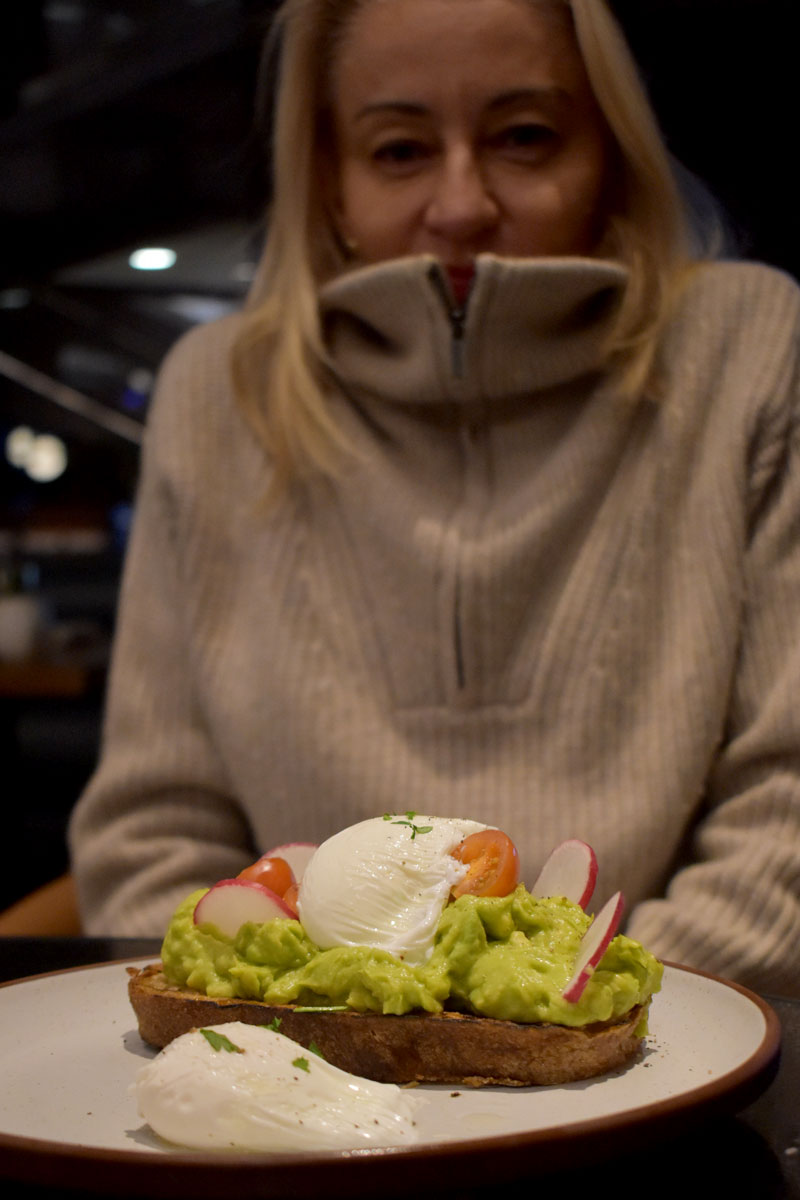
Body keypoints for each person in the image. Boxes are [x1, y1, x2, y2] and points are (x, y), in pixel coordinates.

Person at [69, 0, 800, 996]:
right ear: (328, 179)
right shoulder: (213, 392)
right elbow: (149, 836)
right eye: (399, 149)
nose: (459, 204)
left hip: (666, 1063)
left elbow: (783, 812)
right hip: (295, 1080)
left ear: (610, 151)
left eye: (524, 137)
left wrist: (568, 1016)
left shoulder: (749, 346)